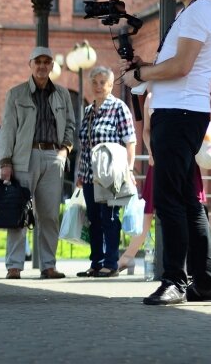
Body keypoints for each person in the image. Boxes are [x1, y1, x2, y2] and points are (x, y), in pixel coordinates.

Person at [122, 0, 211, 305]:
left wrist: (142, 73)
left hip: (179, 115)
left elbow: (181, 67)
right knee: (186, 200)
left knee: (168, 199)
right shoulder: (193, 13)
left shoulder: (197, 15)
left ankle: (174, 281)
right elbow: (176, 65)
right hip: (181, 112)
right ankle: (206, 281)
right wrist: (144, 71)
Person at [0, 46, 75, 280]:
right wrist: (5, 161)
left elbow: (70, 125)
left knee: (50, 215)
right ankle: (14, 266)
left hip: (53, 157)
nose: (42, 66)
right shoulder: (16, 94)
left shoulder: (62, 94)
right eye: (38, 62)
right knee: (18, 213)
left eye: (47, 62)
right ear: (30, 64)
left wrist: (64, 151)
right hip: (24, 158)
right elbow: (8, 130)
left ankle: (48, 265)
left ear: (52, 65)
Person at [117, 92, 206, 274]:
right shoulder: (150, 98)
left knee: (190, 209)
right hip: (158, 159)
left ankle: (194, 265)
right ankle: (128, 256)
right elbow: (146, 130)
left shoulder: (182, 92)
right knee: (149, 212)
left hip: (183, 157)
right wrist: (152, 151)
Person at [75, 66, 136, 278]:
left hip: (111, 175)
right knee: (93, 219)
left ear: (110, 85)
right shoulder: (88, 111)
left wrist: (129, 170)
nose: (99, 86)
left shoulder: (119, 108)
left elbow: (130, 141)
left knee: (109, 218)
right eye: (95, 82)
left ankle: (111, 263)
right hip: (90, 175)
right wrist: (80, 175)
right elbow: (84, 145)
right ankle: (96, 262)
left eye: (103, 82)